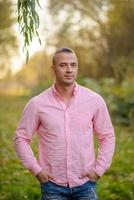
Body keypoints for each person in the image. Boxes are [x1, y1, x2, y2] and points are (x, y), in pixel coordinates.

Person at [15, 47, 115, 200]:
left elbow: (107, 136)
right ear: (53, 69)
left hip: (86, 184)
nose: (69, 70)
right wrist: (37, 170)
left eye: (73, 65)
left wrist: (99, 170)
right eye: (63, 65)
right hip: (52, 185)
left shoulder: (94, 100)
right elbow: (21, 138)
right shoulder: (37, 104)